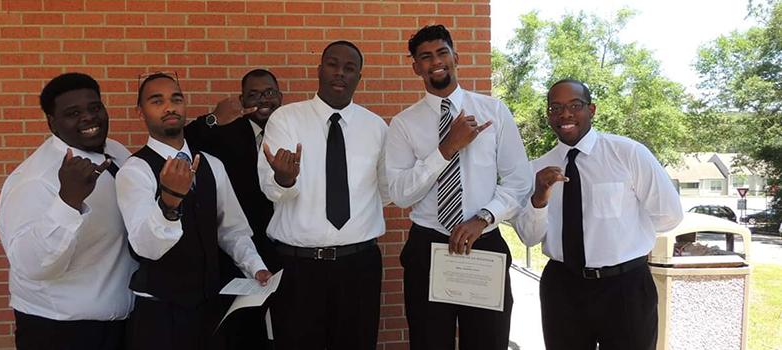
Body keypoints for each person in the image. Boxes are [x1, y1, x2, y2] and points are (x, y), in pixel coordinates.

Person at [385, 25, 532, 350]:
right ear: (415, 67)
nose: (435, 62)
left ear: (456, 57)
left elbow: (519, 181)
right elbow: (399, 193)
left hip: (485, 241)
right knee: (429, 341)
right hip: (428, 247)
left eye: (441, 52)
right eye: (425, 57)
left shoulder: (493, 112)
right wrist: (446, 149)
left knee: (487, 341)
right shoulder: (403, 124)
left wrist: (483, 218)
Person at [513, 79, 683, 350]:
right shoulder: (538, 168)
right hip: (562, 287)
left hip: (625, 287)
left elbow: (669, 215)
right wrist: (539, 197)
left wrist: (625, 238)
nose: (565, 114)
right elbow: (529, 237)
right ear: (549, 115)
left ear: (591, 110)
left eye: (574, 106)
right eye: (555, 108)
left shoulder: (628, 154)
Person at [116, 71, 271, 350]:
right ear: (141, 112)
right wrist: (170, 202)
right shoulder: (135, 170)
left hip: (208, 308)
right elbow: (145, 247)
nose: (169, 107)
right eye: (157, 100)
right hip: (161, 313)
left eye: (176, 98)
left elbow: (231, 230)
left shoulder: (211, 165)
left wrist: (255, 267)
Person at [258, 41, 389, 350]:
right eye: (332, 64)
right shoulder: (286, 119)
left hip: (359, 266)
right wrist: (285, 179)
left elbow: (384, 192)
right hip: (299, 269)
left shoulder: (376, 127)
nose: (340, 73)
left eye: (349, 68)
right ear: (319, 70)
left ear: (359, 76)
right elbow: (270, 189)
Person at [0, 72, 136, 350]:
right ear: (53, 122)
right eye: (73, 113)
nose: (88, 117)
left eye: (95, 107)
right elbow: (31, 265)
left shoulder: (117, 152)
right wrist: (67, 201)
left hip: (121, 325)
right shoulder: (36, 179)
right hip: (62, 331)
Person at [184, 69, 283, 349]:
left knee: (287, 326)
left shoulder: (293, 129)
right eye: (253, 94)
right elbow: (184, 142)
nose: (263, 100)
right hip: (240, 248)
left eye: (269, 93)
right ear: (242, 99)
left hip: (289, 248)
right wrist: (214, 119)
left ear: (280, 96)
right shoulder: (224, 132)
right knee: (244, 330)